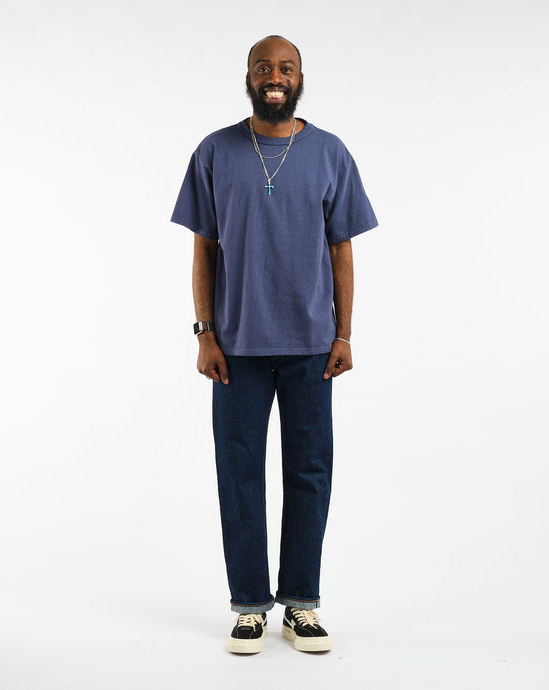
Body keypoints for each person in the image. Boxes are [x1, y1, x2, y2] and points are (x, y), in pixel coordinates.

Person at [171, 35, 378, 654]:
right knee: (239, 475)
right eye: (264, 67)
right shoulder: (215, 151)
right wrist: (205, 333)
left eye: (286, 67)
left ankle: (302, 603)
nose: (275, 76)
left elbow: (342, 248)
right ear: (249, 76)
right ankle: (249, 606)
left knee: (310, 472)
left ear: (300, 77)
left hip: (311, 344)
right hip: (235, 348)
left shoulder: (330, 152)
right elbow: (203, 248)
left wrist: (344, 332)